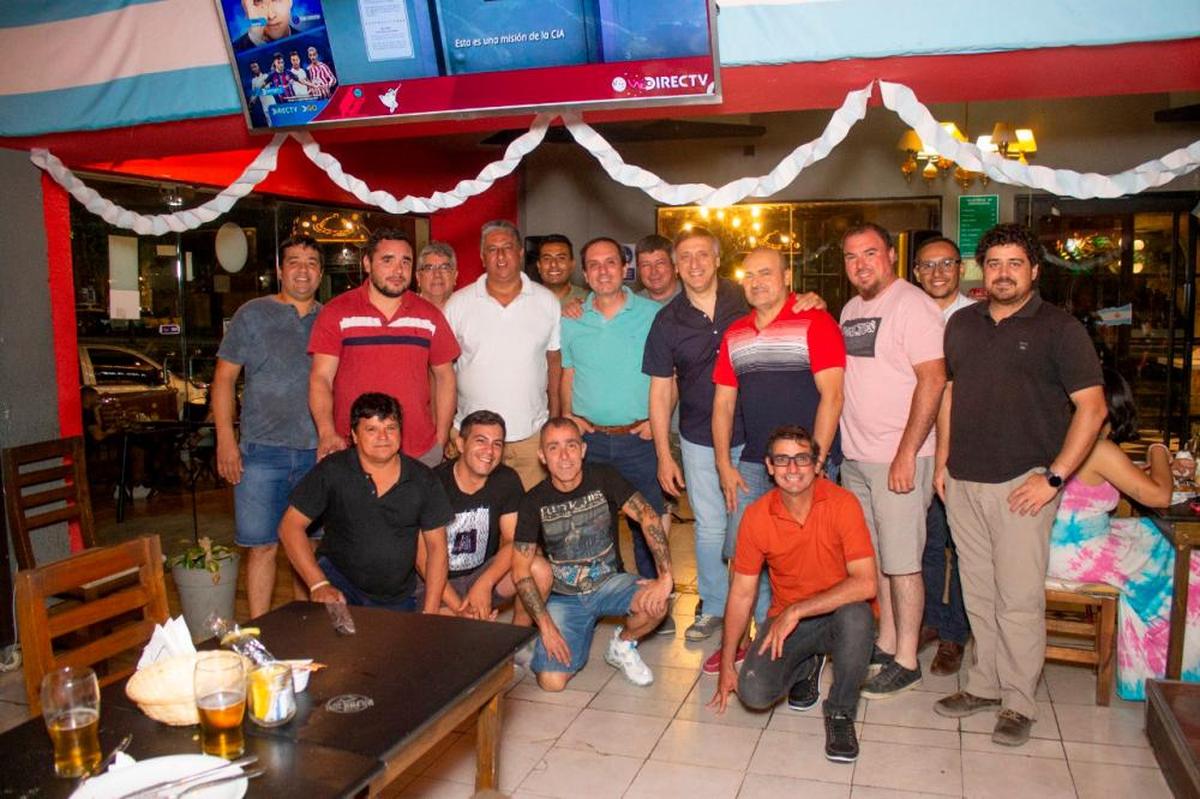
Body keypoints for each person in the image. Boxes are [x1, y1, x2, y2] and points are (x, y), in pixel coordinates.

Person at [935, 223, 1106, 746]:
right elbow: (950, 393)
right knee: (980, 595)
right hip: (963, 482)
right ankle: (985, 684)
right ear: (980, 271)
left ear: (1034, 270)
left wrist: (1054, 477)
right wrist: (943, 462)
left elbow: (1092, 408)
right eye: (993, 264)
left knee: (1018, 599)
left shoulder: (1060, 328)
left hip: (1022, 486)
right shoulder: (961, 324)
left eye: (1014, 264)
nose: (1003, 273)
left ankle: (1018, 701)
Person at [709, 246, 846, 674]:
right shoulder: (736, 334)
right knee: (743, 557)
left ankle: (807, 646)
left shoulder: (816, 322)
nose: (756, 282)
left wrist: (816, 462)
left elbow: (833, 396)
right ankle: (744, 641)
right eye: (748, 275)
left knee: (811, 560)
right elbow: (723, 406)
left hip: (809, 464)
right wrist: (723, 466)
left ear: (786, 276)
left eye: (765, 273)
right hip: (753, 463)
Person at [708, 426, 876, 764]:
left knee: (858, 616)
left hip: (837, 615)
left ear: (817, 464)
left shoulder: (842, 503)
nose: (793, 469)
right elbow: (741, 594)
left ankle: (841, 712)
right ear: (769, 467)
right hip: (788, 622)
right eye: (782, 460)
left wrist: (797, 610)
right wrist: (728, 662)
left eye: (801, 458)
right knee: (753, 693)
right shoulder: (756, 516)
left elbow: (866, 583)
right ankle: (806, 665)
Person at [838, 222, 946, 700]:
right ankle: (884, 643)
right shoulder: (851, 308)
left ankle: (907, 659)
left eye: (870, 253)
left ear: (890, 256)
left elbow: (933, 380)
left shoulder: (912, 305)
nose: (861, 264)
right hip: (857, 456)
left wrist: (907, 452)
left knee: (904, 562)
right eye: (851, 257)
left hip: (897, 458)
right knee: (876, 556)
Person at [1047, 368, 1197, 699]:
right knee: (1184, 557)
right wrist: (1158, 450)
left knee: (1145, 532)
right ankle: (1170, 667)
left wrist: (1148, 470)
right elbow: (1159, 496)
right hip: (1076, 559)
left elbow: (1105, 478)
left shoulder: (1055, 437)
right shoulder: (1098, 449)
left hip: (1044, 549)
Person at [511, 418, 673, 691]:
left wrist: (666, 577)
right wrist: (547, 628)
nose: (564, 456)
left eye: (571, 446)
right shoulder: (533, 501)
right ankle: (556, 641)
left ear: (583, 450)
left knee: (656, 604)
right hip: (566, 598)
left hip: (609, 583)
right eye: (553, 448)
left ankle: (622, 645)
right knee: (552, 683)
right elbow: (521, 571)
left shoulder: (604, 476)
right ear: (542, 456)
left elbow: (648, 515)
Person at [643, 226, 748, 642]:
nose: (694, 264)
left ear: (718, 258)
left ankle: (760, 605)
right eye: (685, 257)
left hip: (754, 433)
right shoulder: (667, 321)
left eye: (702, 255)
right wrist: (664, 457)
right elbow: (661, 390)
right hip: (698, 435)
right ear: (675, 265)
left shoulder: (746, 299)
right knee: (709, 526)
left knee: (751, 523)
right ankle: (715, 606)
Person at [213, 235, 323, 619]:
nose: (303, 269)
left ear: (321, 272)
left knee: (306, 548)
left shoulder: (330, 319)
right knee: (262, 547)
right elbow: (224, 379)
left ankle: (305, 627)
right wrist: (226, 441)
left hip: (316, 454)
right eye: (294, 261)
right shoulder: (252, 314)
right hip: (261, 453)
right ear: (279, 270)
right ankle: (260, 632)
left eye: (311, 262)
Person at [278, 392, 454, 612]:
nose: (383, 437)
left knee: (399, 647)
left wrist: (431, 610)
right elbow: (290, 526)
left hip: (395, 596)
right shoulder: (333, 469)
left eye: (391, 428)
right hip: (338, 584)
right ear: (354, 435)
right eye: (372, 429)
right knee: (333, 642)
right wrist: (318, 583)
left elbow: (437, 549)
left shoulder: (423, 479)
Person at [561, 237, 668, 591]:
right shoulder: (572, 319)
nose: (603, 270)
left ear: (625, 269)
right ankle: (604, 595)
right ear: (585, 273)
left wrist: (658, 421)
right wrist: (567, 423)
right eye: (594, 264)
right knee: (592, 528)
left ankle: (654, 599)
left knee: (647, 524)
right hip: (588, 441)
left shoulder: (652, 315)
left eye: (611, 262)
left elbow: (668, 376)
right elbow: (568, 374)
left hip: (638, 439)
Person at [309, 228, 459, 468]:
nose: (398, 271)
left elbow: (445, 378)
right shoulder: (336, 312)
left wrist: (440, 438)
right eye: (387, 260)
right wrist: (326, 432)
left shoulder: (429, 316)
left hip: (418, 454)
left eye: (405, 261)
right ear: (367, 263)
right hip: (353, 452)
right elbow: (320, 378)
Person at [443, 221, 562, 489]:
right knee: (477, 522)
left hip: (531, 438)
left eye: (507, 248)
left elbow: (554, 365)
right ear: (482, 257)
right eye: (492, 249)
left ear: (520, 253)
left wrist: (553, 423)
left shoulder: (546, 302)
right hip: (473, 437)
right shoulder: (458, 304)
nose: (500, 256)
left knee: (528, 524)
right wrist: (447, 429)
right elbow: (442, 372)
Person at [415, 410, 553, 622]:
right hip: (437, 583)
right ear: (460, 444)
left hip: (480, 574)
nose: (489, 450)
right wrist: (460, 607)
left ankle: (517, 641)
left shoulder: (506, 480)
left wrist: (485, 583)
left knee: (539, 569)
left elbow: (513, 541)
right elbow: (423, 558)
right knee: (450, 632)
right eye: (481, 441)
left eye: (497, 444)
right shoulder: (433, 483)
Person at [912, 236, 975, 675]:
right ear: (915, 272)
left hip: (967, 452)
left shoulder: (977, 319)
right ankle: (931, 620)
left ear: (961, 268)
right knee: (926, 545)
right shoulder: (905, 313)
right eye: (927, 266)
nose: (937, 273)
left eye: (946, 264)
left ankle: (955, 634)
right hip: (915, 450)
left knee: (965, 548)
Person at [536, 234, 588, 307]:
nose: (553, 264)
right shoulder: (525, 300)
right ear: (539, 266)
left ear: (572, 265)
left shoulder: (588, 300)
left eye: (561, 258)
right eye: (547, 259)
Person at [231, 0, 300, 51]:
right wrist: (255, 38)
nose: (271, 15)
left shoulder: (309, 40)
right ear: (246, 9)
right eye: (258, 1)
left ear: (290, 1)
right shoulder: (234, 51)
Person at [635, 234, 681, 304]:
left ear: (675, 266)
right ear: (638, 270)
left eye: (660, 263)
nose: (653, 271)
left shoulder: (695, 299)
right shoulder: (632, 306)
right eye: (645, 265)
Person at [415, 241, 458, 310]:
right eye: (429, 268)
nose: (437, 274)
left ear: (455, 276)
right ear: (418, 277)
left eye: (444, 267)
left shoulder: (467, 309)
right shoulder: (404, 312)